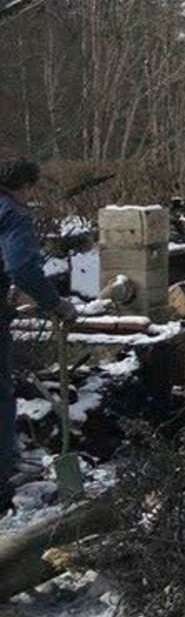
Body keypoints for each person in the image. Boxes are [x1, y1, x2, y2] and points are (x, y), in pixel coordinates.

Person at [1, 160, 75, 511]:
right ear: (26, 186)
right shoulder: (14, 214)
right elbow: (22, 267)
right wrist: (53, 302)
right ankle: (5, 468)